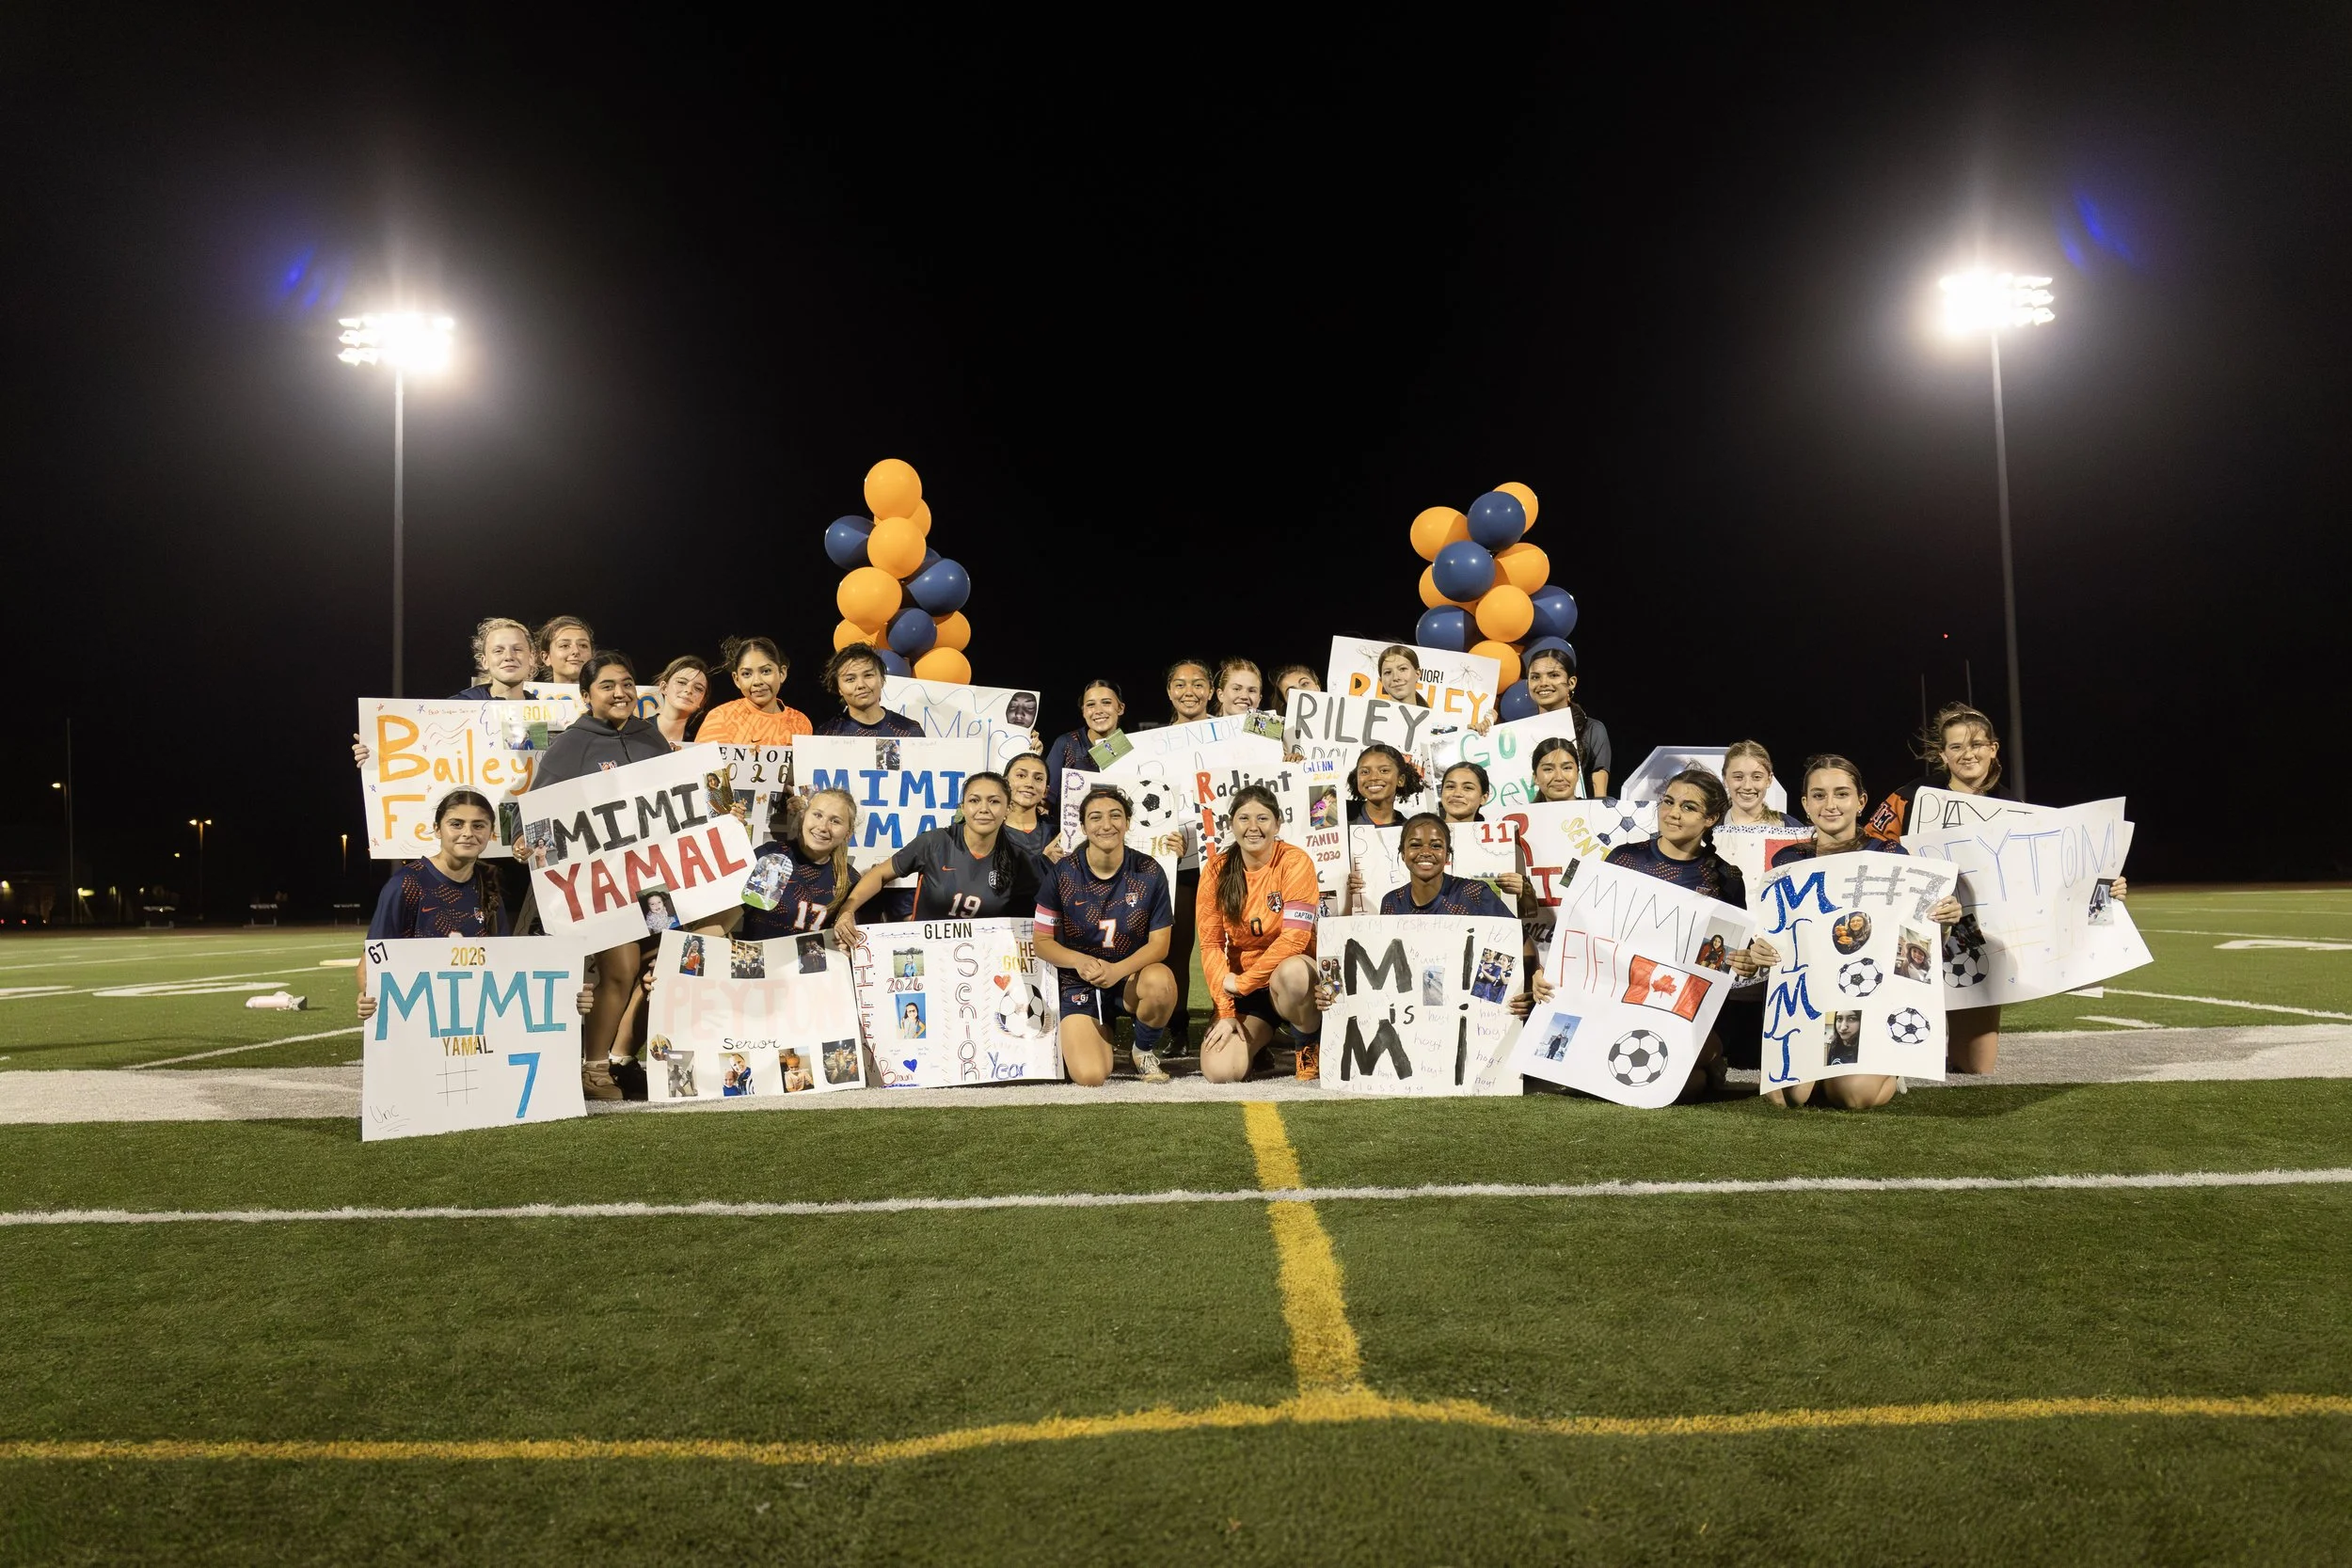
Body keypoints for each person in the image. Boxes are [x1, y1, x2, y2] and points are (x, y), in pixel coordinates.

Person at [1859, 705, 2123, 1075]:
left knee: (1976, 1066)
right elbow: (1867, 849)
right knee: (1893, 1047)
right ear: (1943, 755)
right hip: (1914, 930)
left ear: (1993, 749)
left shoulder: (2014, 809)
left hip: (1974, 942)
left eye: (1977, 744)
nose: (1967, 754)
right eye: (1956, 747)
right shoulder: (1910, 798)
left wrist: (2102, 886)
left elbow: (2052, 878)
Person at [1765, 755, 1966, 1109]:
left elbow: (1915, 940)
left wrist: (1944, 920)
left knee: (1853, 1095)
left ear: (1860, 802)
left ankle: (1889, 1066)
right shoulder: (1788, 861)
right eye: (1819, 795)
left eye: (1841, 794)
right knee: (1788, 1098)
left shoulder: (1890, 855)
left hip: (1870, 999)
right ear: (1805, 804)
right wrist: (1762, 948)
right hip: (1812, 999)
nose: (1830, 804)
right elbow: (1780, 935)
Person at [516, 651, 673, 1101]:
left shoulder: (650, 736)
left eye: (627, 684)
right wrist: (526, 842)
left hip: (654, 881)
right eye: (607, 686)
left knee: (661, 965)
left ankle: (624, 1058)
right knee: (620, 970)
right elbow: (536, 812)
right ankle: (594, 1068)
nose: (620, 693)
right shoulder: (572, 744)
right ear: (586, 695)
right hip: (601, 883)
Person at [1602, 768, 1776, 1099]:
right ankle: (1707, 1070)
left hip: (1684, 1007)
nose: (1673, 813)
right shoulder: (1623, 859)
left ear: (1710, 818)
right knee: (1686, 1084)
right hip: (1619, 996)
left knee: (1678, 1083)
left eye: (1688, 807)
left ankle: (1707, 1060)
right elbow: (1590, 928)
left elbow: (1731, 952)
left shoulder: (1725, 878)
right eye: (1668, 802)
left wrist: (1746, 960)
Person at [358, 788, 594, 1022]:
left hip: (475, 1025)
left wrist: (567, 994)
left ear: (491, 833)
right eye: (456, 824)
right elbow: (370, 965)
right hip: (422, 1023)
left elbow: (505, 967)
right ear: (437, 829)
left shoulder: (489, 885)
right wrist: (370, 997)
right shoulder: (407, 884)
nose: (468, 833)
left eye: (478, 825)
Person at [1030, 784, 1180, 1085]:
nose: (1106, 825)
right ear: (1083, 827)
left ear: (1128, 822)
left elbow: (1160, 945)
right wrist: (1079, 961)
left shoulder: (1149, 871)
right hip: (1080, 982)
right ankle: (1100, 1032)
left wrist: (1117, 971)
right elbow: (1042, 942)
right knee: (1090, 1076)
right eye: (1095, 818)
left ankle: (1142, 1050)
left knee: (1161, 982)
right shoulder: (1064, 873)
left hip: (1130, 980)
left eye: (1115, 815)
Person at [1197, 784, 1321, 1083]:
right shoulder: (1216, 869)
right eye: (1244, 818)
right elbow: (1211, 945)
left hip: (1291, 984)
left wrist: (1242, 983)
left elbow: (1295, 940)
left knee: (1293, 973)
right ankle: (1260, 1044)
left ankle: (1309, 1043)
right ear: (1231, 824)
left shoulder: (1295, 861)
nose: (1253, 827)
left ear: (1277, 824)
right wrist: (1226, 1011)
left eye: (1262, 818)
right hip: (1247, 990)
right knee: (1221, 1072)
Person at [836, 771, 1041, 932]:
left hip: (983, 960)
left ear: (1008, 809)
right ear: (963, 807)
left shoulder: (1019, 859)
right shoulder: (934, 842)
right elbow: (879, 874)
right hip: (927, 956)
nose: (984, 808)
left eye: (994, 801)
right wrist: (847, 910)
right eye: (974, 800)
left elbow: (1032, 920)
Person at [1138, 657, 1216, 1054]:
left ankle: (1237, 1023)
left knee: (1231, 947)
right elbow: (1103, 757)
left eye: (1198, 683)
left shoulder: (1233, 733)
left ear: (1212, 691)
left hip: (1224, 860)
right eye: (1180, 684)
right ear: (1169, 692)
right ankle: (1179, 1029)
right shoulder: (1149, 741)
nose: (1190, 691)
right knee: (1176, 946)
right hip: (1176, 861)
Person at [1521, 641, 1612, 797]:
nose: (1543, 683)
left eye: (1554, 675)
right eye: (1535, 677)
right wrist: (1482, 732)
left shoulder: (1591, 729)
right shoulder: (1518, 733)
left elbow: (1599, 794)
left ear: (1571, 683)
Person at [697, 636, 814, 745]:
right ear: (736, 679)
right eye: (747, 674)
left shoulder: (800, 723)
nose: (757, 681)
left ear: (782, 673)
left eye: (766, 671)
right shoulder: (721, 717)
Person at [1042, 678, 1125, 818]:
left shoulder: (1132, 748)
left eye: (1106, 702)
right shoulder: (1066, 744)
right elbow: (1045, 802)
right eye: (1091, 705)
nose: (1098, 711)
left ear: (1120, 708)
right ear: (1083, 712)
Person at [814, 643, 924, 737]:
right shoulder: (826, 734)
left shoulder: (910, 731)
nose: (861, 685)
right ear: (839, 688)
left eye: (868, 675)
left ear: (882, 679)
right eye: (850, 679)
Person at [999, 752, 1066, 865]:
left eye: (1038, 778)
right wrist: (1043, 862)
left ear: (1046, 791)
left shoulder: (1059, 832)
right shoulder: (991, 832)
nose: (1029, 784)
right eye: (1021, 776)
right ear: (1005, 782)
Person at [453, 617, 539, 700]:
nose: (509, 656)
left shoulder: (543, 708)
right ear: (485, 662)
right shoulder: (457, 706)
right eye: (498, 651)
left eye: (517, 649)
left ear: (531, 658)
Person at [1724, 739, 1804, 827]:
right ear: (1725, 779)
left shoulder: (1793, 829)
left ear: (1769, 780)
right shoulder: (1712, 828)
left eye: (1757, 777)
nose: (1747, 786)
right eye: (1738, 777)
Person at [650, 656, 709, 748]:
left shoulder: (703, 741)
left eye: (698, 688)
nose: (689, 690)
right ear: (664, 687)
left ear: (702, 701)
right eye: (681, 682)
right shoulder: (635, 731)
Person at [536, 615, 596, 686]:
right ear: (546, 657)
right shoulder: (531, 692)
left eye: (583, 645)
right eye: (565, 646)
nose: (576, 651)